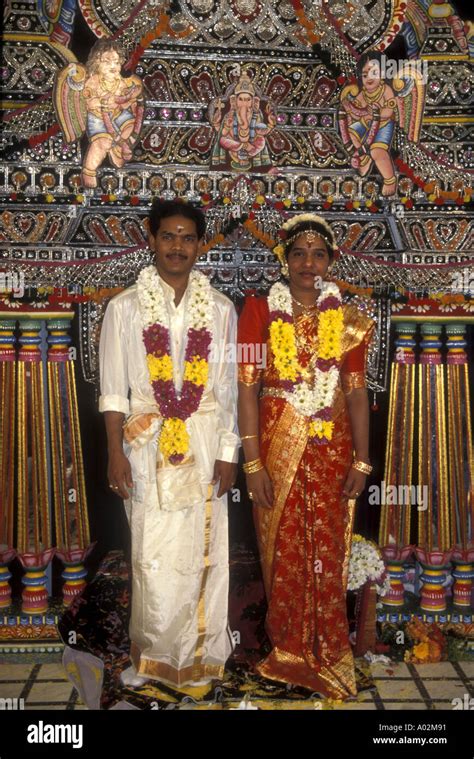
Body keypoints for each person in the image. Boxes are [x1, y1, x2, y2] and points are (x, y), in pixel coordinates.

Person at [99, 199, 239, 689]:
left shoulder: (220, 309)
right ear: (152, 239)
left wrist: (228, 454)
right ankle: (153, 658)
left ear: (200, 245)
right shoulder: (123, 307)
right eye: (168, 236)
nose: (177, 246)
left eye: (187, 238)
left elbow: (226, 389)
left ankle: (203, 657)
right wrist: (115, 450)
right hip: (145, 443)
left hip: (202, 443)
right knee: (151, 551)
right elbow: (114, 388)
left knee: (205, 551)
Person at [237, 213, 374, 700]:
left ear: (331, 261)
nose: (308, 263)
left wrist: (362, 461)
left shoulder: (350, 320)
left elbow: (357, 394)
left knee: (327, 545)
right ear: (285, 260)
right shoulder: (257, 310)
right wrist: (251, 464)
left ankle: (329, 649)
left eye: (319, 254)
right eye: (299, 253)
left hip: (332, 447)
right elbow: (247, 391)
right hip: (276, 444)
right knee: (283, 545)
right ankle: (289, 650)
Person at [339, 52, 398, 196]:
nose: (369, 78)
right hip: (366, 123)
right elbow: (356, 112)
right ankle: (363, 157)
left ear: (383, 74)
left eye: (374, 73)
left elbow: (389, 112)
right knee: (351, 132)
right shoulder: (363, 93)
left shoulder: (386, 90)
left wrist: (375, 114)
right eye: (365, 75)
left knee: (377, 152)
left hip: (383, 126)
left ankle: (390, 180)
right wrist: (348, 108)